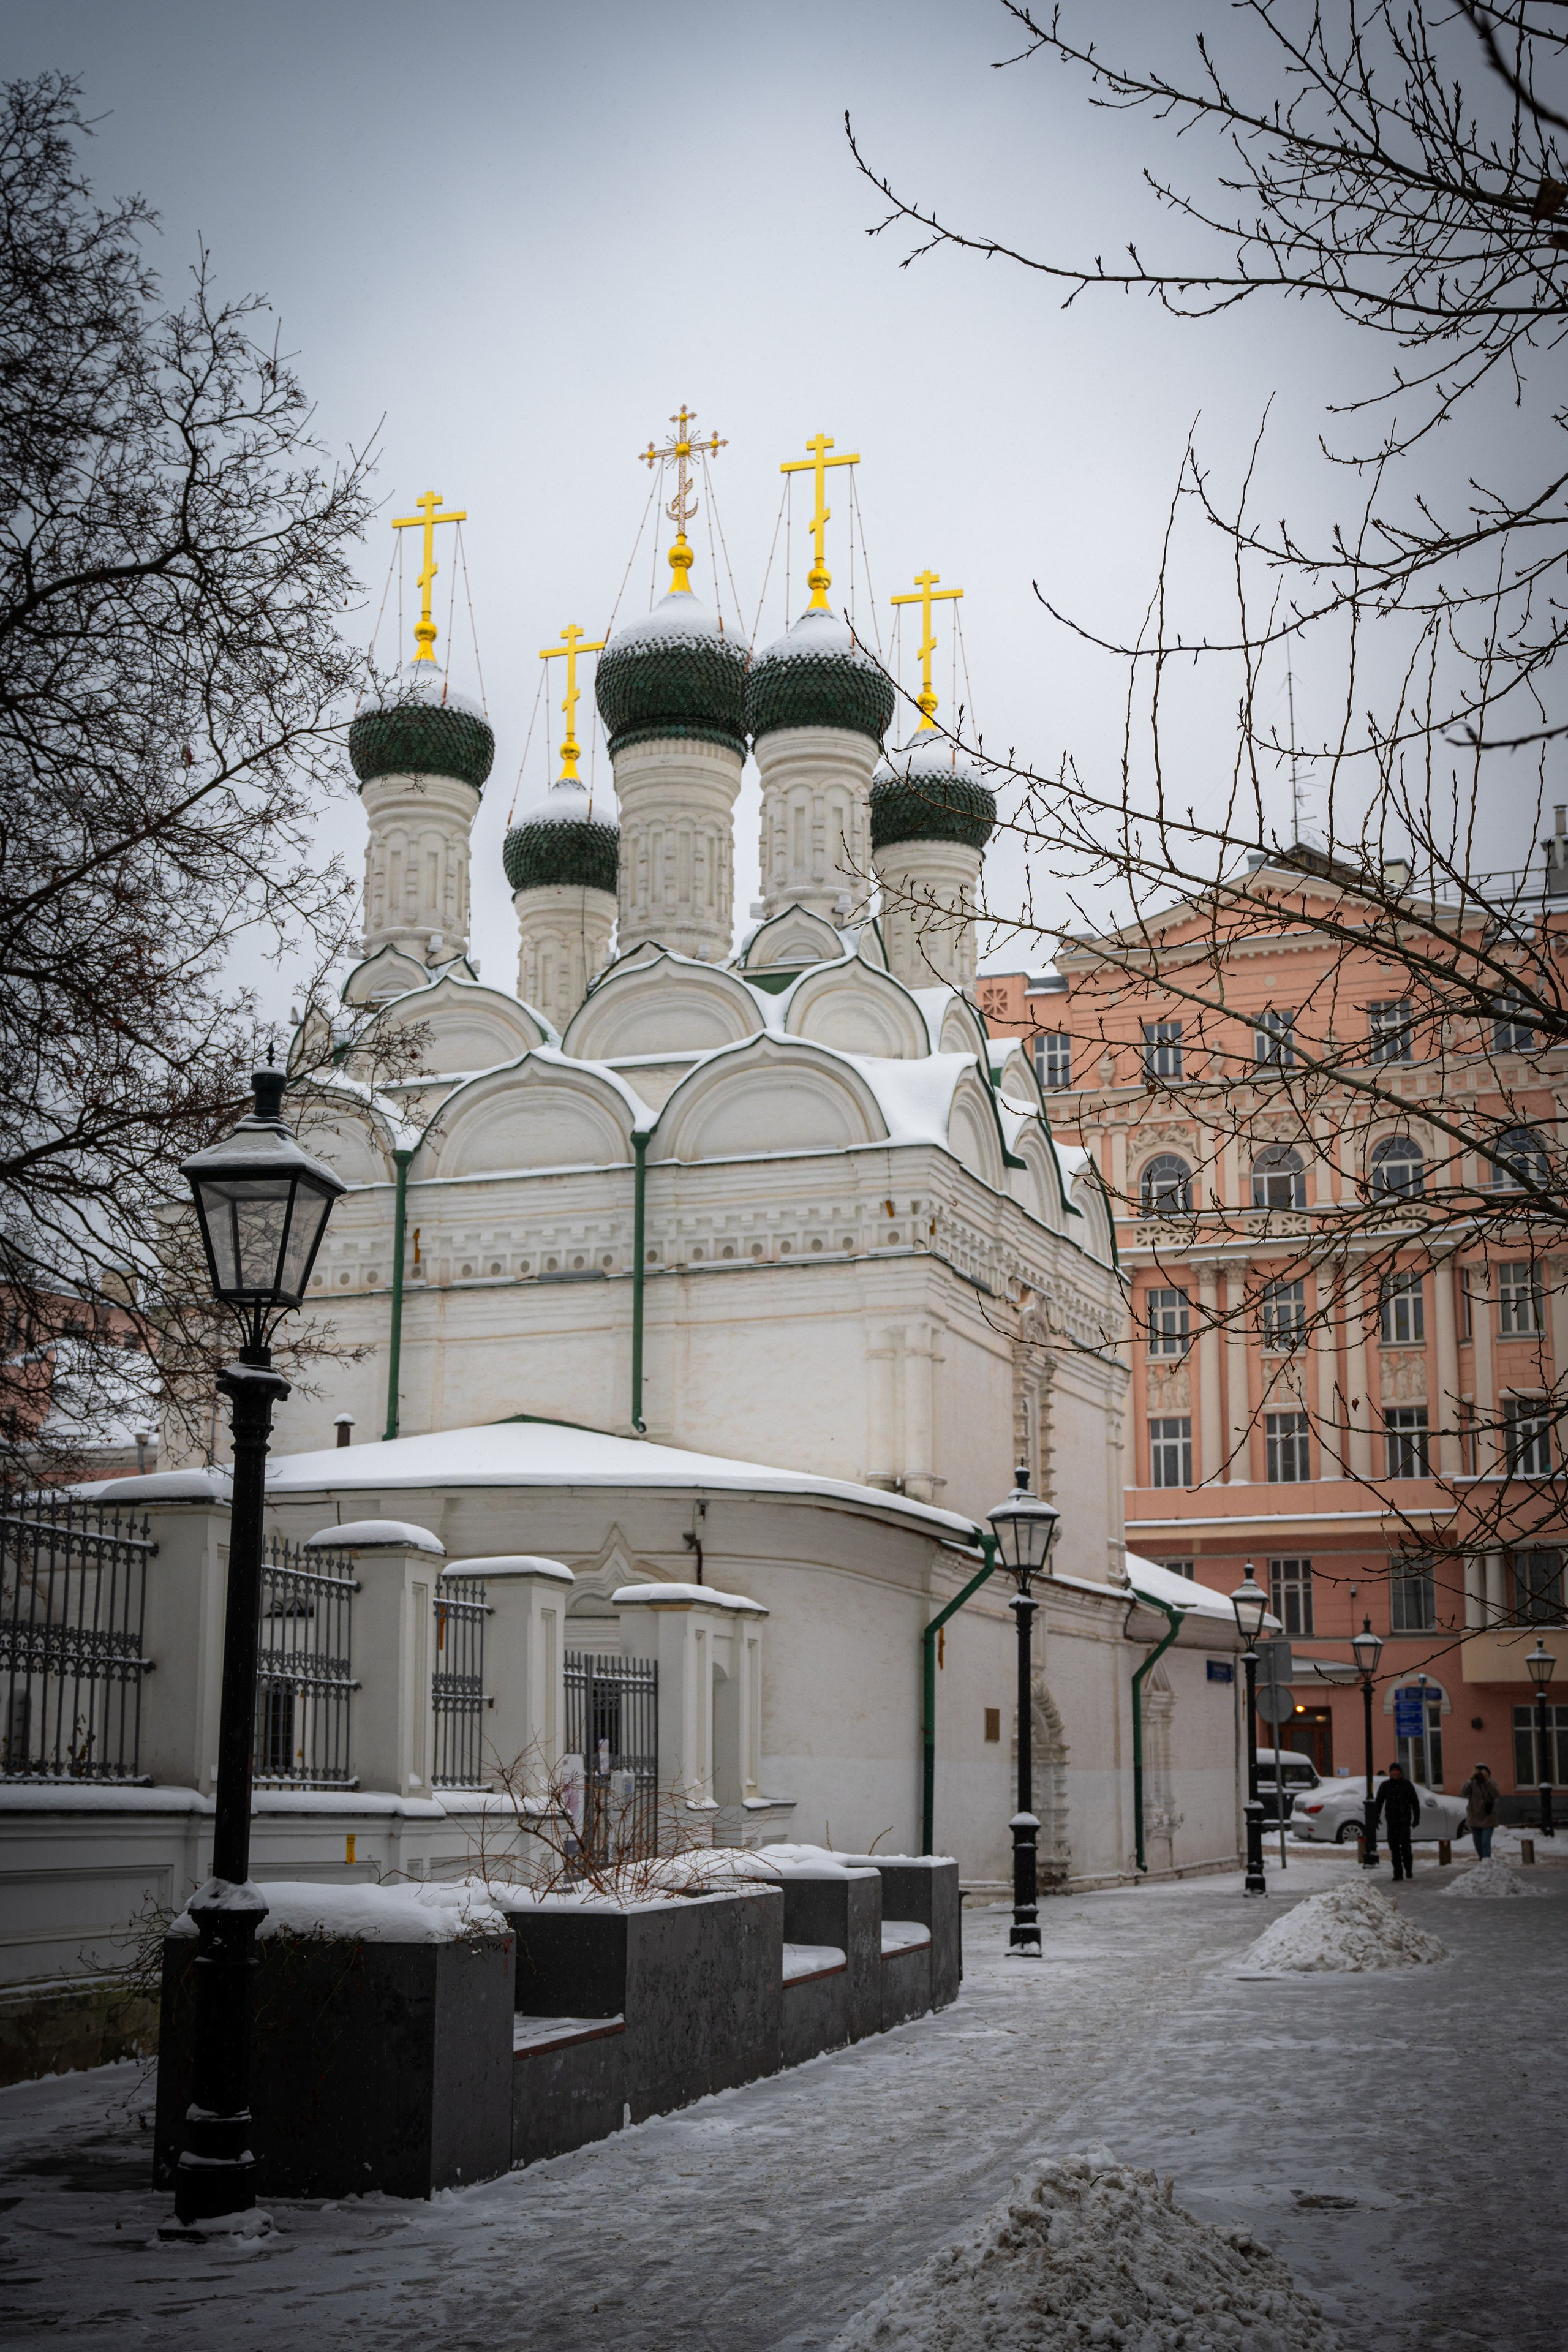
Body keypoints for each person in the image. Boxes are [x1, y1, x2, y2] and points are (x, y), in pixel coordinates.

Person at [1373, 1760, 1422, 1880]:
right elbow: (1379, 1802)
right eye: (1393, 1771)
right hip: (1392, 1820)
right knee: (1394, 1847)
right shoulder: (1386, 1785)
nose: (1395, 1773)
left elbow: (1415, 1803)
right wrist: (1376, 1817)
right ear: (1390, 1773)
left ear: (1400, 1772)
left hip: (1404, 1820)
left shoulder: (1407, 1785)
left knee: (1405, 1846)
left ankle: (1408, 1869)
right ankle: (1398, 1873)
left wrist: (1416, 1818)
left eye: (1397, 1771)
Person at [1461, 1762, 1499, 1860]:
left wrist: (1487, 1780)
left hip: (1488, 1818)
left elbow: (1496, 1794)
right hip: (1474, 1817)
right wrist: (1471, 1778)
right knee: (1478, 1844)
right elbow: (1464, 1792)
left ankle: (1487, 1862)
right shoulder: (1472, 1783)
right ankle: (1482, 1862)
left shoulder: (1491, 1782)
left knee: (1485, 1842)